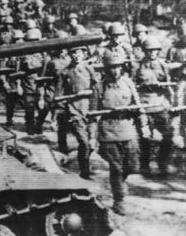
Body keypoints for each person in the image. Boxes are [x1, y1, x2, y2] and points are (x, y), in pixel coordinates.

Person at [89, 51, 151, 215]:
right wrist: (91, 137)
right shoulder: (98, 87)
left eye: (117, 67)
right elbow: (93, 115)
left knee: (132, 166)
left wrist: (144, 125)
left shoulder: (128, 83)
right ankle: (119, 200)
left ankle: (122, 182)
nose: (115, 71)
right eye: (111, 68)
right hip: (108, 132)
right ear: (106, 69)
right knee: (116, 168)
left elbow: (138, 106)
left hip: (128, 130)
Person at [55, 45, 98, 178]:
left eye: (79, 53)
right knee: (84, 142)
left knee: (91, 144)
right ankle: (85, 171)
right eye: (74, 53)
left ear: (84, 54)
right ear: (70, 55)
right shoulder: (65, 72)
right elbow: (58, 94)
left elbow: (97, 90)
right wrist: (59, 113)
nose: (77, 55)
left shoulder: (90, 69)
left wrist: (96, 108)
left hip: (90, 110)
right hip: (74, 111)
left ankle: (81, 158)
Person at [134, 37, 174, 176]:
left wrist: (169, 101)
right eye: (149, 51)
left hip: (159, 104)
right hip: (145, 105)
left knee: (168, 135)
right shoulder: (138, 66)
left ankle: (162, 162)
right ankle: (144, 165)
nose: (152, 53)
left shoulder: (162, 65)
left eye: (155, 51)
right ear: (145, 51)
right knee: (145, 138)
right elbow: (134, 86)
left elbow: (168, 85)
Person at [20, 27, 47, 135]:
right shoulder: (26, 54)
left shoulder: (43, 54)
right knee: (29, 108)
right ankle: (30, 126)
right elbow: (29, 65)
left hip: (41, 84)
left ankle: (39, 124)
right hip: (29, 85)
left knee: (43, 107)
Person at [0, 29, 25, 126]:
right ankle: (9, 119)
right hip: (12, 81)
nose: (19, 41)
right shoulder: (8, 53)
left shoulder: (25, 52)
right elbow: (2, 70)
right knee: (11, 102)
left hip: (24, 81)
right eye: (17, 39)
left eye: (21, 39)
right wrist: (5, 83)